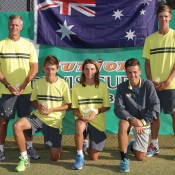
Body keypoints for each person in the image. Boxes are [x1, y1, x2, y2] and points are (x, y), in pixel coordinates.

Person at [13, 55, 71, 172]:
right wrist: (38, 106)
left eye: (53, 69)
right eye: (48, 69)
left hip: (54, 122)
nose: (50, 72)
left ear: (57, 69)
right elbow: (32, 101)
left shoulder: (63, 84)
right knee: (17, 125)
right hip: (38, 117)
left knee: (55, 158)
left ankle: (57, 146)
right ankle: (24, 158)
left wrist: (52, 110)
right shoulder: (38, 83)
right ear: (43, 68)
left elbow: (69, 105)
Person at [0, 14, 39, 161]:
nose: (14, 27)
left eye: (17, 25)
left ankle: (29, 148)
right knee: (3, 121)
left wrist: (23, 85)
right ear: (8, 25)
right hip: (6, 91)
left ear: (21, 27)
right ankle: (1, 150)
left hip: (25, 91)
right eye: (11, 24)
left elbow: (34, 68)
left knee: (26, 121)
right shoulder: (1, 44)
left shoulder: (28, 45)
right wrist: (8, 85)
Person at [114, 58, 160, 173]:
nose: (132, 75)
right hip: (130, 120)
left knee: (141, 157)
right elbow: (118, 109)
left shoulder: (148, 85)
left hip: (144, 121)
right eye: (129, 72)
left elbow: (155, 106)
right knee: (122, 124)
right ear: (126, 73)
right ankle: (124, 159)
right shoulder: (121, 87)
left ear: (140, 72)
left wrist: (143, 122)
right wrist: (133, 120)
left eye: (135, 72)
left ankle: (132, 145)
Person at [142, 4, 175, 157]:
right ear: (157, 18)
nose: (163, 19)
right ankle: (154, 145)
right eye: (161, 16)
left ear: (170, 17)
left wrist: (168, 81)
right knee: (154, 116)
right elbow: (147, 63)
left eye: (166, 16)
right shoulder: (150, 39)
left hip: (171, 85)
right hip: (154, 86)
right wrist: (151, 81)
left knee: (174, 115)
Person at [71, 59, 110, 170]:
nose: (89, 72)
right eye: (87, 69)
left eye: (92, 69)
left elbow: (107, 106)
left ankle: (85, 145)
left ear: (96, 70)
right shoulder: (76, 88)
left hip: (98, 122)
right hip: (82, 120)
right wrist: (81, 117)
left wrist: (96, 111)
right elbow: (74, 110)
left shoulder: (102, 86)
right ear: (83, 71)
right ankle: (79, 155)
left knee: (94, 157)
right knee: (79, 126)